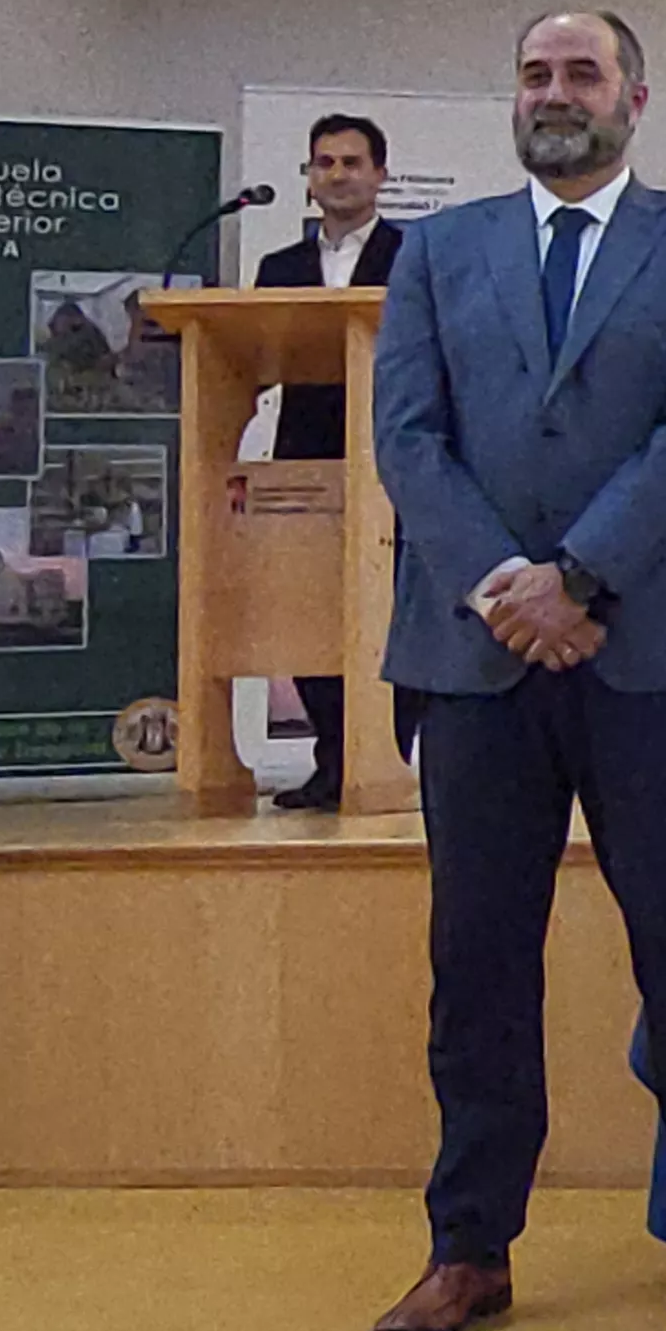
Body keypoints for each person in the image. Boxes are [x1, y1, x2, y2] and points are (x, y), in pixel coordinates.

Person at [364, 9, 666, 1331]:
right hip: (476, 657)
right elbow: (409, 438)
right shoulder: (438, 250)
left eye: (582, 73)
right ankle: (468, 1247)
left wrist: (579, 578)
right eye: (536, 76)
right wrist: (508, 588)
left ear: (635, 97)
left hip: (650, 643)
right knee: (476, 957)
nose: (557, 94)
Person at [253, 112, 405, 812]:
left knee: (390, 616)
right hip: (307, 459)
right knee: (312, 613)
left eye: (352, 162)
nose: (338, 175)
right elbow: (255, 356)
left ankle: (390, 763)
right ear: (309, 179)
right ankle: (331, 763)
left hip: (394, 457)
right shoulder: (278, 270)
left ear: (380, 174)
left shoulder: (414, 257)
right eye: (325, 163)